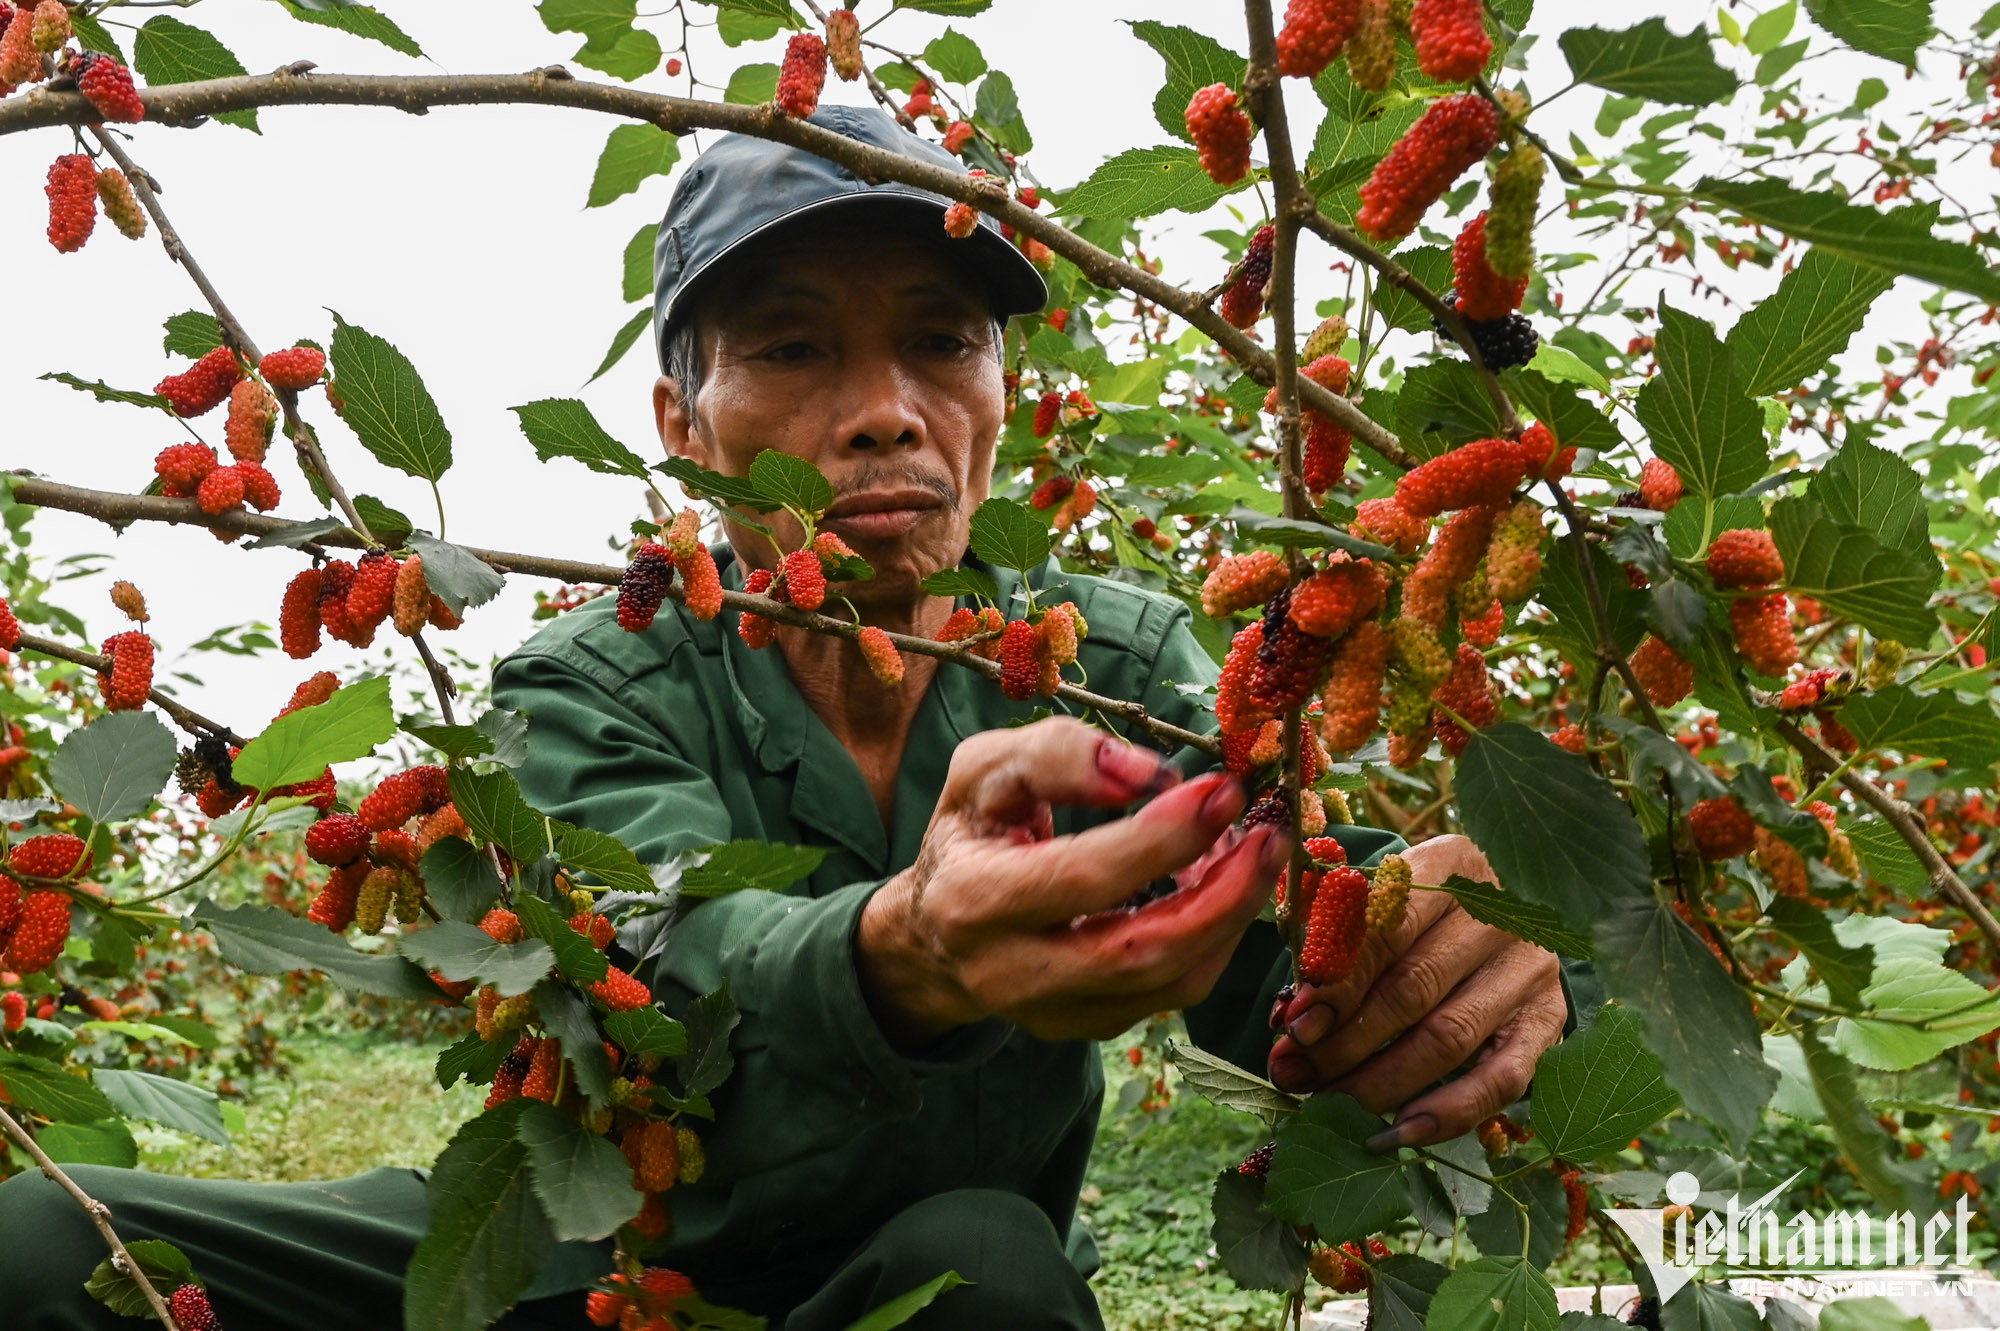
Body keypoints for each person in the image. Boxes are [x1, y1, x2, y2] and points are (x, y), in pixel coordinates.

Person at [0, 106, 1577, 1329]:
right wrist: (901, 946)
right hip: (599, 1260)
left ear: (1003, 392)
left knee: (991, 1269)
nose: (887, 404)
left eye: (942, 341)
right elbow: (659, 951)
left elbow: (1286, 955)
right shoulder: (589, 678)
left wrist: (1426, 952)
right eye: (793, 347)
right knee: (42, 1249)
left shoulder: (1118, 658)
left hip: (928, 1268)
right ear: (683, 424)